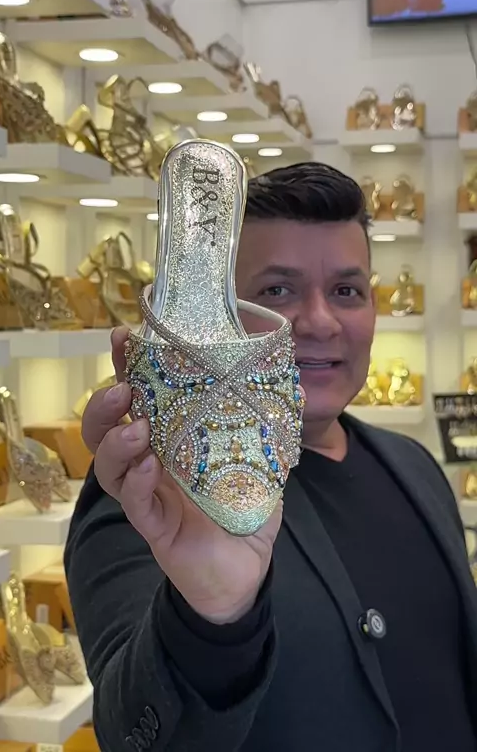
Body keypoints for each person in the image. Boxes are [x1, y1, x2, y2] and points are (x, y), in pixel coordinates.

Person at [65, 162, 477, 752]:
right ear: (219, 320)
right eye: (277, 291)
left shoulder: (416, 467)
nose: (320, 322)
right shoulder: (149, 497)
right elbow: (133, 733)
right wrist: (211, 617)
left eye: (347, 291)